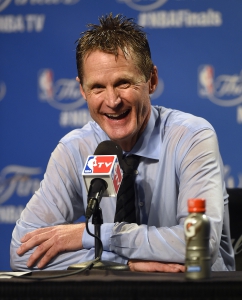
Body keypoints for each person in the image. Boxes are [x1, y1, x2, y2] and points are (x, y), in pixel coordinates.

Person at [10, 13, 234, 272]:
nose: (112, 100)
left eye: (123, 83)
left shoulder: (192, 137)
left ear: (151, 80)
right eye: (97, 88)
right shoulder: (75, 149)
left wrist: (98, 236)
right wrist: (128, 264)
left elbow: (200, 245)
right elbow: (22, 253)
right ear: (82, 90)